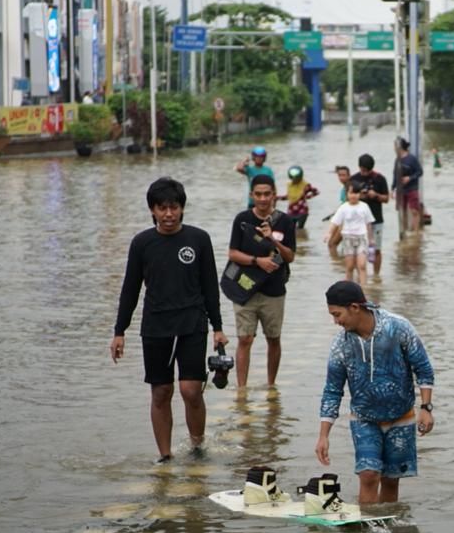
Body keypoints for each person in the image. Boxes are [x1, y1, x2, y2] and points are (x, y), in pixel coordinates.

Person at [111, 177, 228, 463]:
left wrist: (218, 327)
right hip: (155, 326)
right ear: (152, 210)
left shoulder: (199, 239)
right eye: (161, 208)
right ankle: (165, 456)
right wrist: (119, 331)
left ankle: (197, 446)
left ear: (182, 208)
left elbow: (210, 285)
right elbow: (131, 288)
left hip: (192, 322)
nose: (168, 214)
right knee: (161, 391)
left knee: (190, 390)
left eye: (173, 207)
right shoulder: (142, 243)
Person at [316, 280, 435, 506]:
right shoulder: (340, 345)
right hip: (364, 419)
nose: (335, 321)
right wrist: (323, 435)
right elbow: (332, 391)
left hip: (401, 417)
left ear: (355, 307)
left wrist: (426, 408)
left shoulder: (398, 327)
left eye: (337, 314)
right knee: (369, 475)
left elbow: (423, 368)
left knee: (391, 481)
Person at [226, 174, 296, 389]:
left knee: (273, 338)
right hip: (245, 287)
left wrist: (272, 239)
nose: (263, 198)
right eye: (258, 194)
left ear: (274, 195)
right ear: (251, 195)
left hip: (274, 290)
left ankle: (271, 386)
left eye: (267, 194)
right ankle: (241, 389)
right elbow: (233, 254)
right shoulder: (242, 220)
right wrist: (258, 261)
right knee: (244, 339)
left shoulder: (285, 221)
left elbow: (290, 256)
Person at [350, 153, 391, 276]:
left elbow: (386, 199)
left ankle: (376, 275)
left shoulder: (380, 179)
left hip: (376, 219)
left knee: (376, 249)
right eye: (362, 170)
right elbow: (348, 198)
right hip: (357, 220)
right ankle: (360, 274)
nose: (364, 173)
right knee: (356, 249)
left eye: (367, 171)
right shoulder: (354, 179)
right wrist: (360, 196)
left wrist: (376, 195)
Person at [330, 182, 374, 285]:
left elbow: (368, 223)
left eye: (356, 193)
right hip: (348, 239)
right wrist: (329, 233)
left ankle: (364, 289)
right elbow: (335, 222)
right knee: (349, 266)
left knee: (362, 265)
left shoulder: (364, 207)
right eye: (351, 193)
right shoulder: (343, 208)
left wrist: (371, 239)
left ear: (360, 194)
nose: (353, 195)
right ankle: (349, 288)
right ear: (347, 194)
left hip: (362, 238)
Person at [393, 138, 424, 232]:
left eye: (394, 146)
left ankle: (415, 231)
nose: (393, 148)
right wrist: (392, 188)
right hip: (401, 190)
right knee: (402, 211)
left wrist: (409, 178)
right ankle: (405, 230)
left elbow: (420, 172)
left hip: (412, 188)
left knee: (414, 210)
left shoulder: (412, 159)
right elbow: (395, 175)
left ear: (399, 147)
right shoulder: (397, 160)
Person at [280, 164, 318, 229]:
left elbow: (316, 192)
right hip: (291, 210)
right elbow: (289, 196)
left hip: (302, 210)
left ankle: (302, 238)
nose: (294, 178)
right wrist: (278, 198)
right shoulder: (289, 185)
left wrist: (307, 196)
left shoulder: (305, 185)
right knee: (290, 229)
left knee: (300, 228)